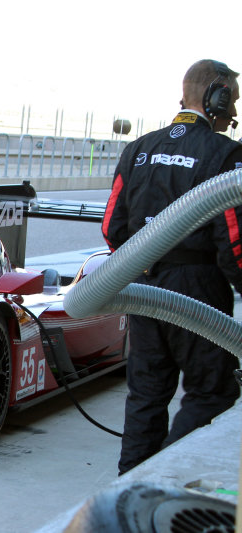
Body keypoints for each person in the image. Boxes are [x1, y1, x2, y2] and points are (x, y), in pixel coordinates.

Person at [102, 59, 242, 475]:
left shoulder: (138, 148)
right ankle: (165, 476)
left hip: (143, 285)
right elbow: (233, 240)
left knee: (146, 394)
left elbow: (112, 227)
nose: (234, 113)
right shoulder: (227, 154)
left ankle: (128, 488)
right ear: (215, 96)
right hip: (198, 287)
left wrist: (138, 268)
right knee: (212, 392)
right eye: (231, 100)